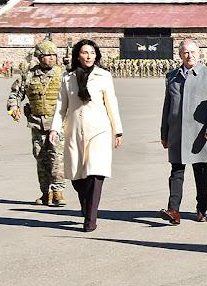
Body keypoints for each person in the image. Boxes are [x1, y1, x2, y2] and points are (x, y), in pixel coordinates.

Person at [49, 39, 123, 233]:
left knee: (95, 172)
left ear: (96, 55)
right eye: (84, 52)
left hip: (99, 130)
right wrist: (54, 129)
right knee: (76, 176)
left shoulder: (104, 76)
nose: (89, 56)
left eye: (92, 52)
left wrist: (118, 130)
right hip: (73, 130)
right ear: (77, 55)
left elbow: (111, 104)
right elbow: (60, 106)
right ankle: (86, 204)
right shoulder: (67, 77)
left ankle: (90, 219)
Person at [160, 40, 207, 224]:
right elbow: (167, 107)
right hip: (177, 133)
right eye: (186, 52)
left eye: (193, 52)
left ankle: (202, 209)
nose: (190, 56)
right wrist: (164, 133)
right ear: (180, 55)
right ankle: (173, 211)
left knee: (201, 173)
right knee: (176, 172)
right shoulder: (172, 76)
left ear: (199, 53)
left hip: (200, 134)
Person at [7, 40, 66, 206]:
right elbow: (15, 95)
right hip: (36, 124)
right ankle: (45, 192)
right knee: (41, 158)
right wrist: (13, 109)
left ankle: (58, 191)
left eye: (54, 55)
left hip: (57, 123)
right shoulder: (28, 75)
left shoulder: (63, 74)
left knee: (57, 157)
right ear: (39, 57)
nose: (52, 58)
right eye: (48, 55)